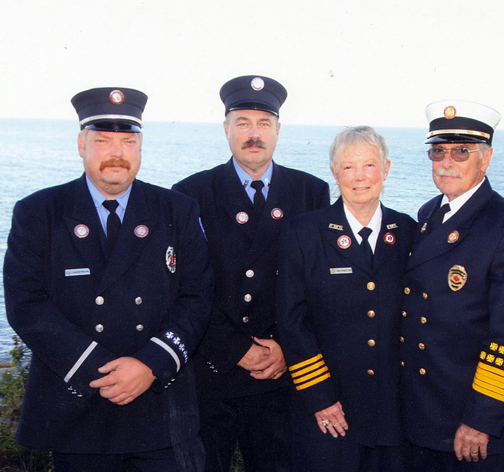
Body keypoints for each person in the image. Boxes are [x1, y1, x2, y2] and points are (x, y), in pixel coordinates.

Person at [3, 87, 214, 471]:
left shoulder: (177, 209)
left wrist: (150, 363)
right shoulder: (39, 212)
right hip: (79, 407)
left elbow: (198, 296)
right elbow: (26, 302)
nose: (116, 153)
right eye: (103, 141)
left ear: (140, 147)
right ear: (81, 144)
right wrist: (98, 370)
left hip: (160, 405)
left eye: (128, 142)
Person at [172, 75, 330, 472]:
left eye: (263, 124)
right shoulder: (190, 194)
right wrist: (235, 350)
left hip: (282, 375)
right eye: (242, 123)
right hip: (214, 372)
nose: (253, 134)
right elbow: (186, 288)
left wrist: (283, 348)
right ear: (226, 129)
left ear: (279, 129)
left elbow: (318, 286)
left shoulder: (311, 192)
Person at [400, 100, 504, 471]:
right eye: (438, 151)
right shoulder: (429, 214)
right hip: (425, 412)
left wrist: (483, 418)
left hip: (475, 423)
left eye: (462, 152)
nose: (447, 162)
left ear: (487, 158)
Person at [276, 126, 416, 472]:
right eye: (348, 167)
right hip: (328, 408)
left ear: (386, 169)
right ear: (334, 171)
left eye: (369, 165)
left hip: (392, 412)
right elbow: (291, 323)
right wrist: (321, 398)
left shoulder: (409, 232)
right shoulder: (303, 233)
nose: (359, 177)